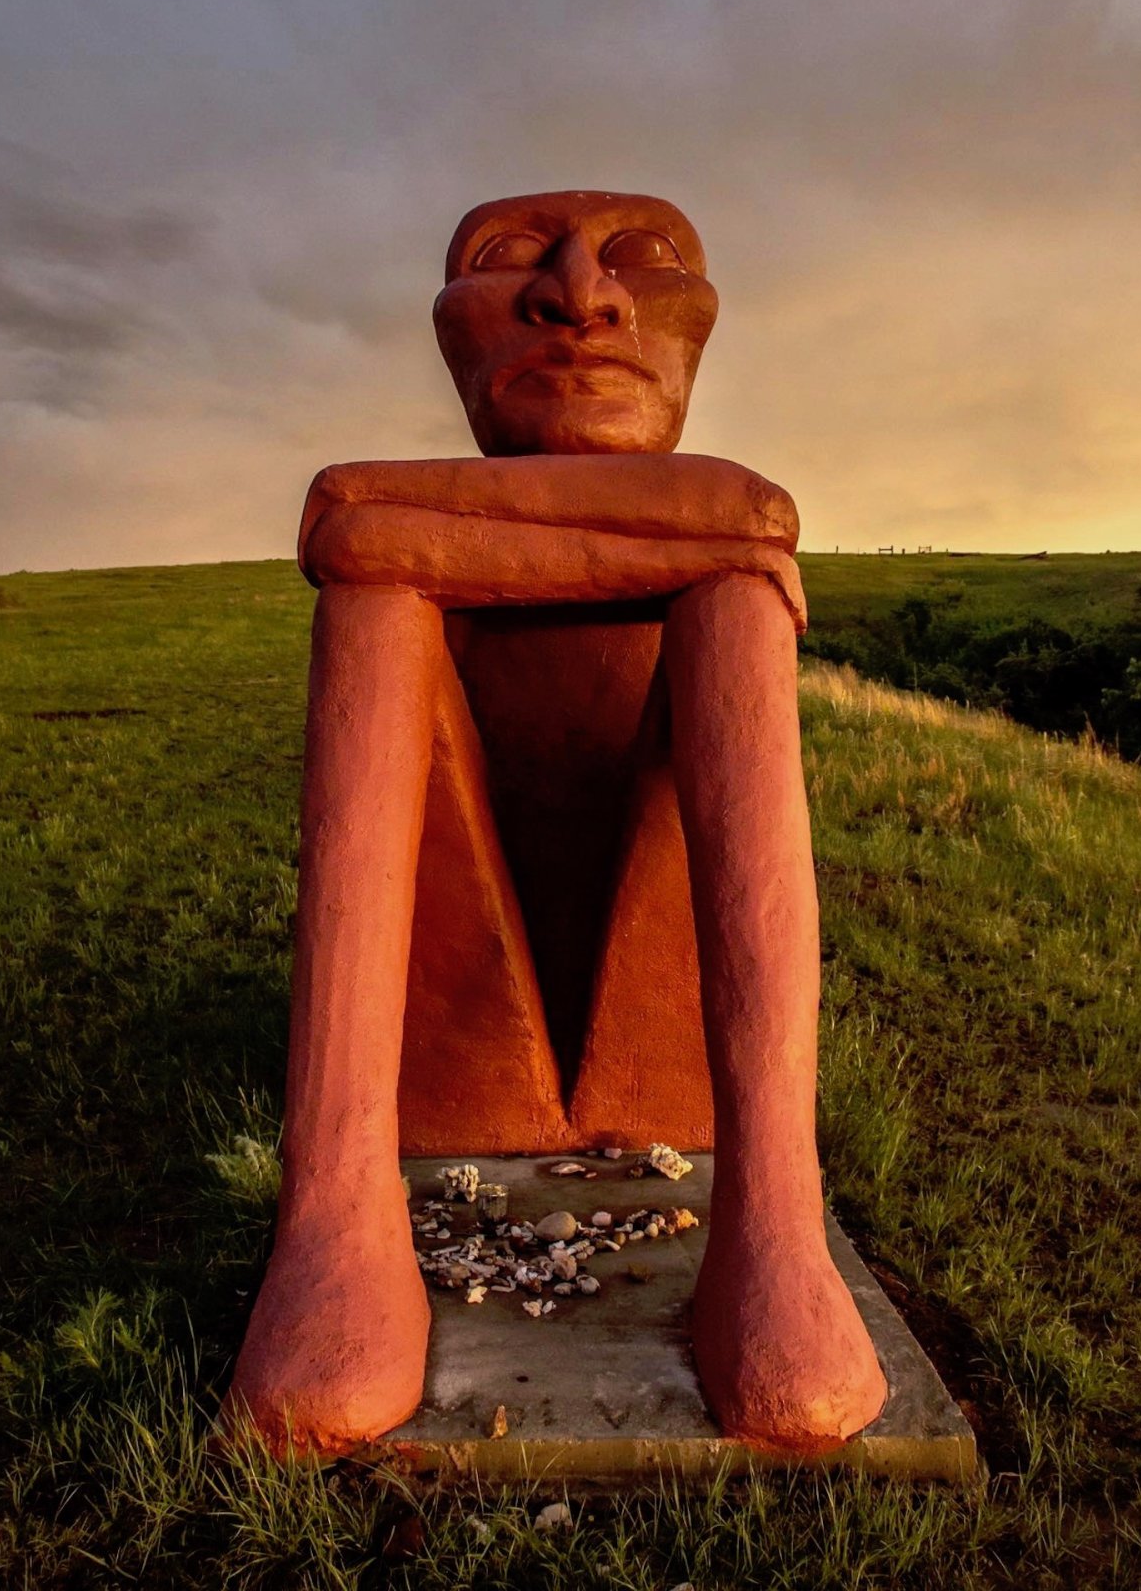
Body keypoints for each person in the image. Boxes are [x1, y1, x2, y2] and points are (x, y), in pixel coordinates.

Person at [226, 191, 886, 1457]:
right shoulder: (646, 513)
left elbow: (752, 514)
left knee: (735, 601)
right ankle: (332, 1212)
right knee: (377, 600)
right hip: (466, 1046)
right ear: (451, 330)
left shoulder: (691, 520)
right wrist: (700, 536)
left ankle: (775, 1216)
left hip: (653, 1025)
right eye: (506, 260)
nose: (580, 295)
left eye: (643, 259)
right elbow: (346, 521)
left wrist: (394, 528)